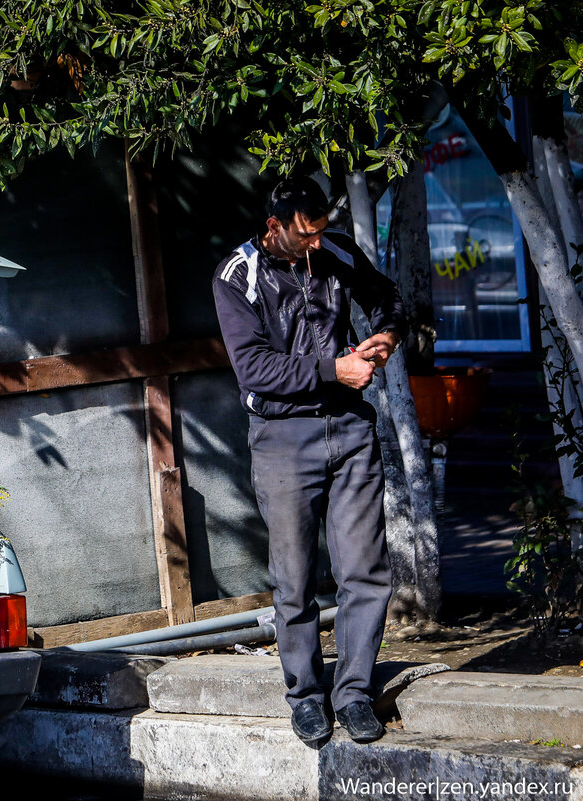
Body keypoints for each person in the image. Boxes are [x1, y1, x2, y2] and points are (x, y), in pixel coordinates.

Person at [211, 176, 404, 748]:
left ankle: (353, 693)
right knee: (294, 578)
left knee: (365, 570)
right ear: (275, 227)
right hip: (282, 438)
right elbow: (255, 370)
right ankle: (305, 697)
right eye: (305, 234)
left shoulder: (338, 249)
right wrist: (333, 370)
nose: (317, 243)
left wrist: (386, 337)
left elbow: (387, 296)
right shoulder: (236, 276)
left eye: (322, 230)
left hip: (350, 427)